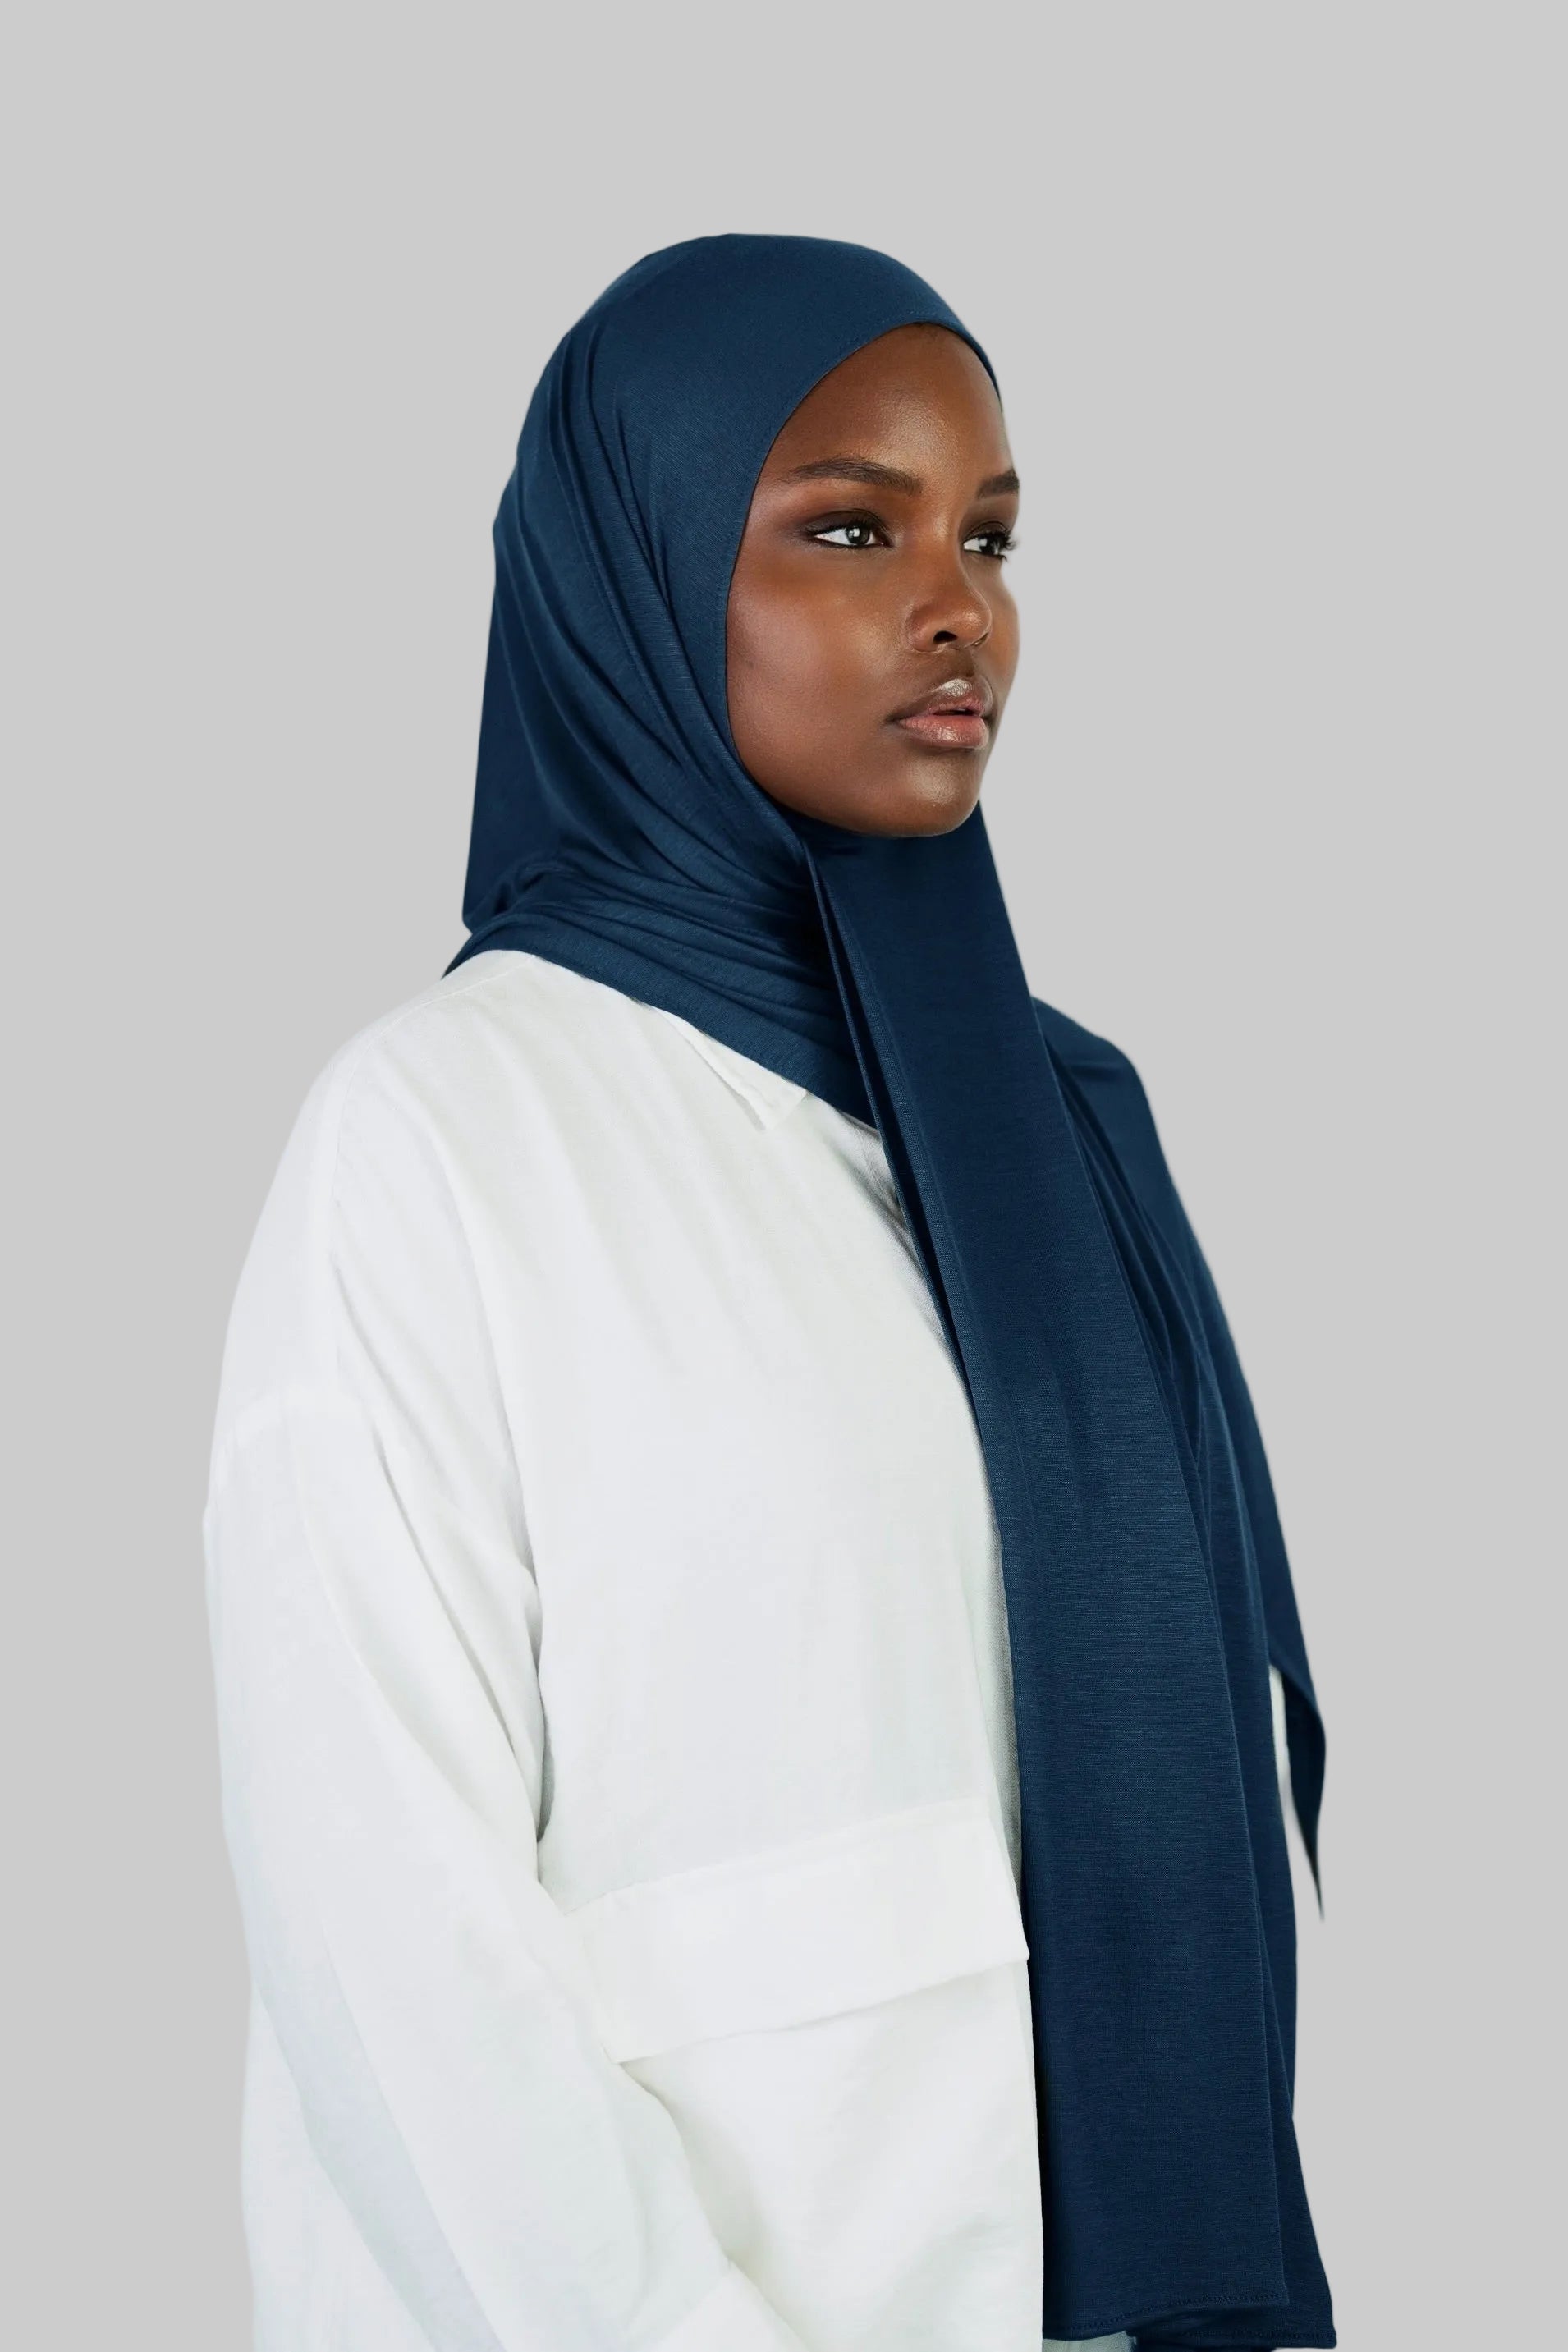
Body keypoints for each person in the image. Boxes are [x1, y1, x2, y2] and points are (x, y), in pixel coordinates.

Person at [204, 236, 1334, 2352]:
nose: (959, 606)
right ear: (631, 577)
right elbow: (380, 1910)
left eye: (991, 536)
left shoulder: (1055, 1125)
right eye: (850, 527)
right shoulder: (443, 1136)